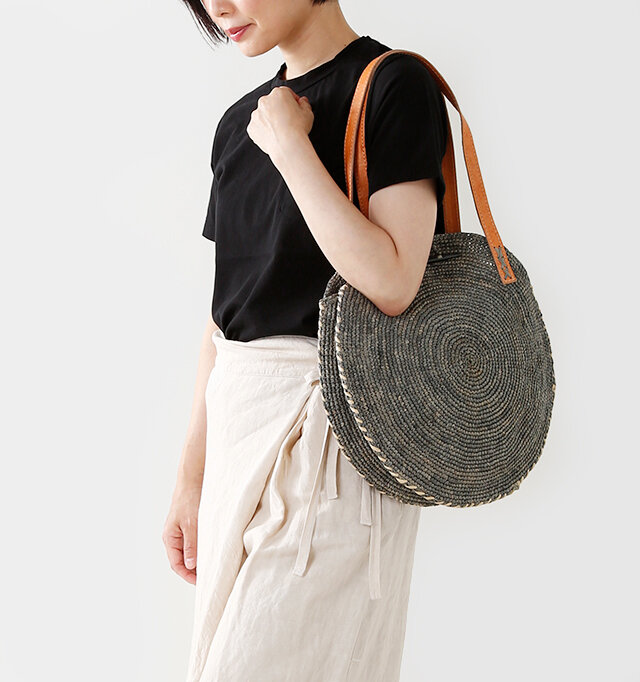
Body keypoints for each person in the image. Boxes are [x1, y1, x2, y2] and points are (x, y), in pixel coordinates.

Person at [162, 0, 449, 679]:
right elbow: (225, 317)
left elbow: (393, 281)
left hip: (332, 434)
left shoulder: (393, 85)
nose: (217, 7)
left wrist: (292, 148)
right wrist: (190, 477)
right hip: (239, 426)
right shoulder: (239, 125)